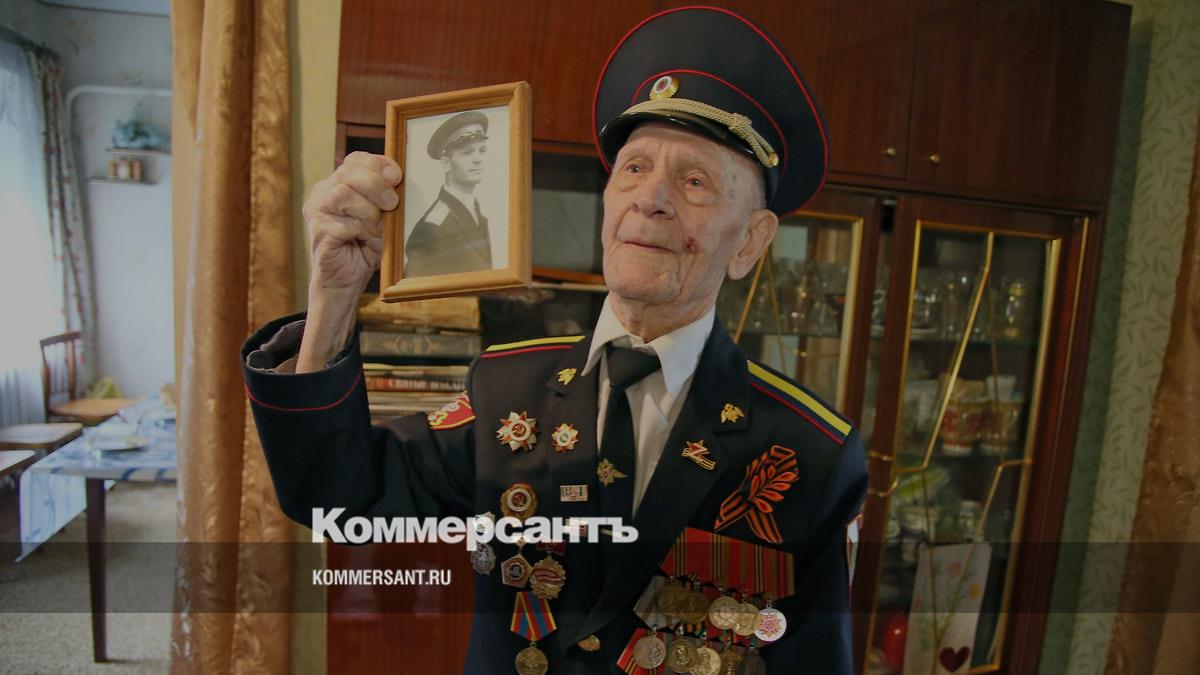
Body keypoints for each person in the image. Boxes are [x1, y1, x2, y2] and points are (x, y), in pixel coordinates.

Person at [243, 6, 866, 674]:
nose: (650, 198)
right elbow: (334, 500)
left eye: (695, 181)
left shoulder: (811, 451)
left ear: (750, 241)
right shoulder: (506, 387)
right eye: (633, 168)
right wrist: (334, 296)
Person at [404, 110, 493, 277]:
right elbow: (415, 290)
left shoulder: (476, 212)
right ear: (446, 163)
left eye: (482, 150)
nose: (478, 159)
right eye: (467, 152)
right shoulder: (432, 228)